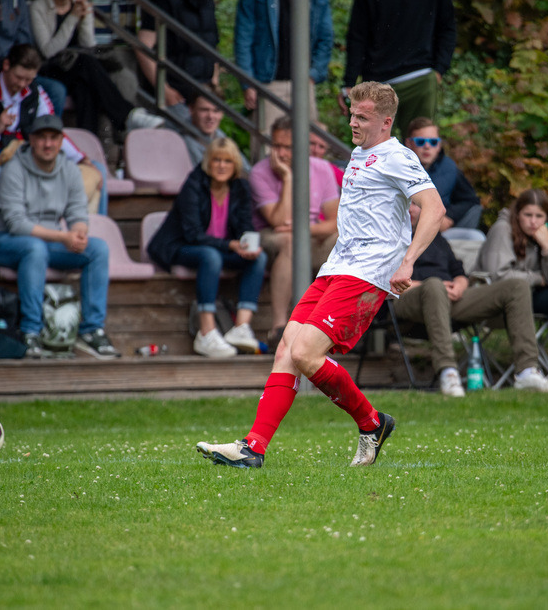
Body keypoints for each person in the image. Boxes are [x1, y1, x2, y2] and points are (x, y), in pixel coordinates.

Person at [195, 81, 445, 469]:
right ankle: (253, 448)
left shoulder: (398, 156)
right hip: (337, 266)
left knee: (305, 353)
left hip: (367, 272)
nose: (353, 123)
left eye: (363, 118)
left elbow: (434, 208)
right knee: (287, 348)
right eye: (352, 115)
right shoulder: (359, 153)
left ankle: (372, 423)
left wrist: (408, 260)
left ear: (386, 122)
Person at [0, 114, 122, 360]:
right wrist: (63, 237)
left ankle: (91, 330)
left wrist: (79, 233)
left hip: (43, 242)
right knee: (35, 249)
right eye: (41, 138)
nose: (48, 144)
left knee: (97, 249)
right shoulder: (13, 169)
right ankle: (31, 331)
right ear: (31, 140)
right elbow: (17, 224)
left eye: (53, 138)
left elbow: (77, 213)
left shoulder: (70, 170)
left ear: (61, 141)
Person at [395, 201, 548, 396]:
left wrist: (460, 285)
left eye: (416, 204)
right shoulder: (388, 238)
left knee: (517, 286)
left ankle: (527, 371)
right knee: (433, 285)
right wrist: (429, 285)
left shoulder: (433, 237)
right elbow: (384, 280)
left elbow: (458, 270)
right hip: (406, 297)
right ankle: (448, 372)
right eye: (406, 202)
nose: (411, 209)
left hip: (449, 297)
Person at [0, 43, 104, 212]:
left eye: (28, 79)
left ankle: (99, 225)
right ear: (6, 65)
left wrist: (80, 158)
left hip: (22, 151)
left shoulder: (35, 92)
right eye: (18, 77)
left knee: (96, 168)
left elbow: (52, 131)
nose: (22, 84)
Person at [146, 137, 266, 359]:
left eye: (227, 161)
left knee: (258, 258)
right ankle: (206, 332)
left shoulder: (240, 187)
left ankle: (241, 328)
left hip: (220, 249)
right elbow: (192, 234)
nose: (221, 166)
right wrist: (230, 244)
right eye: (216, 160)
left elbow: (245, 225)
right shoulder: (194, 183)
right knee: (211, 256)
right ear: (208, 163)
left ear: (235, 165)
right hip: (182, 246)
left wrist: (249, 245)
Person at [30, 0, 164, 136]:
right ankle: (127, 116)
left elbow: (89, 46)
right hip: (51, 68)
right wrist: (72, 18)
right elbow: (48, 51)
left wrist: (85, 19)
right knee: (85, 64)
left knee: (85, 86)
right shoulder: (38, 7)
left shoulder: (79, 3)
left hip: (78, 68)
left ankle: (88, 141)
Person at [341, 0, 456, 139]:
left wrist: (439, 70)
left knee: (419, 146)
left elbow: (447, 27)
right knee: (373, 148)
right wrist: (349, 82)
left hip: (419, 78)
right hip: (378, 84)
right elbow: (357, 36)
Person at [249, 115, 339, 346]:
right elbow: (277, 220)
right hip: (272, 237)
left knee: (344, 241)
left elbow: (335, 222)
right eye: (276, 146)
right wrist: (288, 178)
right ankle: (279, 328)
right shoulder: (259, 172)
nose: (280, 153)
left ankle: (335, 326)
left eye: (287, 147)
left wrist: (305, 229)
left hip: (308, 233)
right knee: (290, 241)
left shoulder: (321, 169)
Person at [476, 190, 548, 387]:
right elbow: (498, 276)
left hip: (532, 295)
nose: (533, 222)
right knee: (529, 291)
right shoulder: (502, 229)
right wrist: (537, 278)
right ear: (517, 214)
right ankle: (527, 371)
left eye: (539, 216)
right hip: (499, 299)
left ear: (547, 218)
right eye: (528, 215)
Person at [233, 0, 333, 131]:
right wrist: (248, 82)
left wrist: (313, 74)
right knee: (267, 144)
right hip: (268, 82)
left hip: (303, 83)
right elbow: (243, 37)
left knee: (308, 144)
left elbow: (326, 37)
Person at [136, 0, 221, 122]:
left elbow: (212, 46)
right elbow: (142, 47)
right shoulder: (164, 1)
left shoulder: (207, 1)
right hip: (176, 96)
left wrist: (214, 84)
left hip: (203, 96)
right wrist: (164, 90)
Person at [404, 117, 483, 240]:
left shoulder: (449, 168)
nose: (427, 146)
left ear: (439, 145)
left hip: (437, 234)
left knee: (476, 238)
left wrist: (449, 217)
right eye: (420, 141)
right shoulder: (397, 167)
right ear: (408, 143)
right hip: (401, 232)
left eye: (433, 142)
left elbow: (470, 201)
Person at [179, 90, 249, 170]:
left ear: (222, 113)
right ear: (191, 109)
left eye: (216, 111)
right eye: (204, 110)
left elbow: (245, 168)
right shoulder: (183, 140)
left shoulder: (219, 134)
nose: (210, 116)